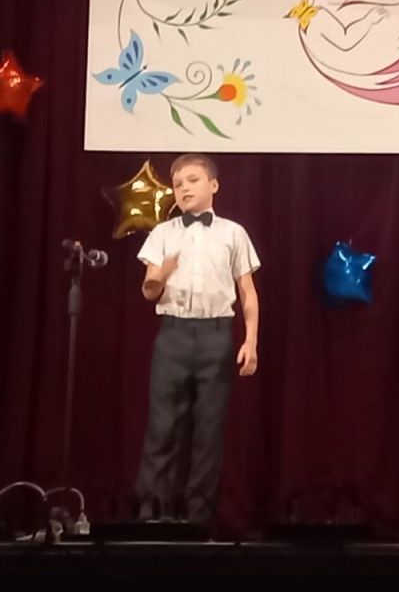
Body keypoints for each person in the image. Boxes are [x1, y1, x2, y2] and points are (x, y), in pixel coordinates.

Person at [134, 153, 260, 532]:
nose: (184, 188)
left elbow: (247, 292)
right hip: (173, 333)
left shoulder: (233, 233)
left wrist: (251, 341)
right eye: (178, 184)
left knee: (208, 430)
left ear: (213, 185)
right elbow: (149, 291)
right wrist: (160, 274)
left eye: (192, 180)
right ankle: (151, 516)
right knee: (163, 426)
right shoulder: (163, 233)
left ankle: (199, 520)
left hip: (216, 335)